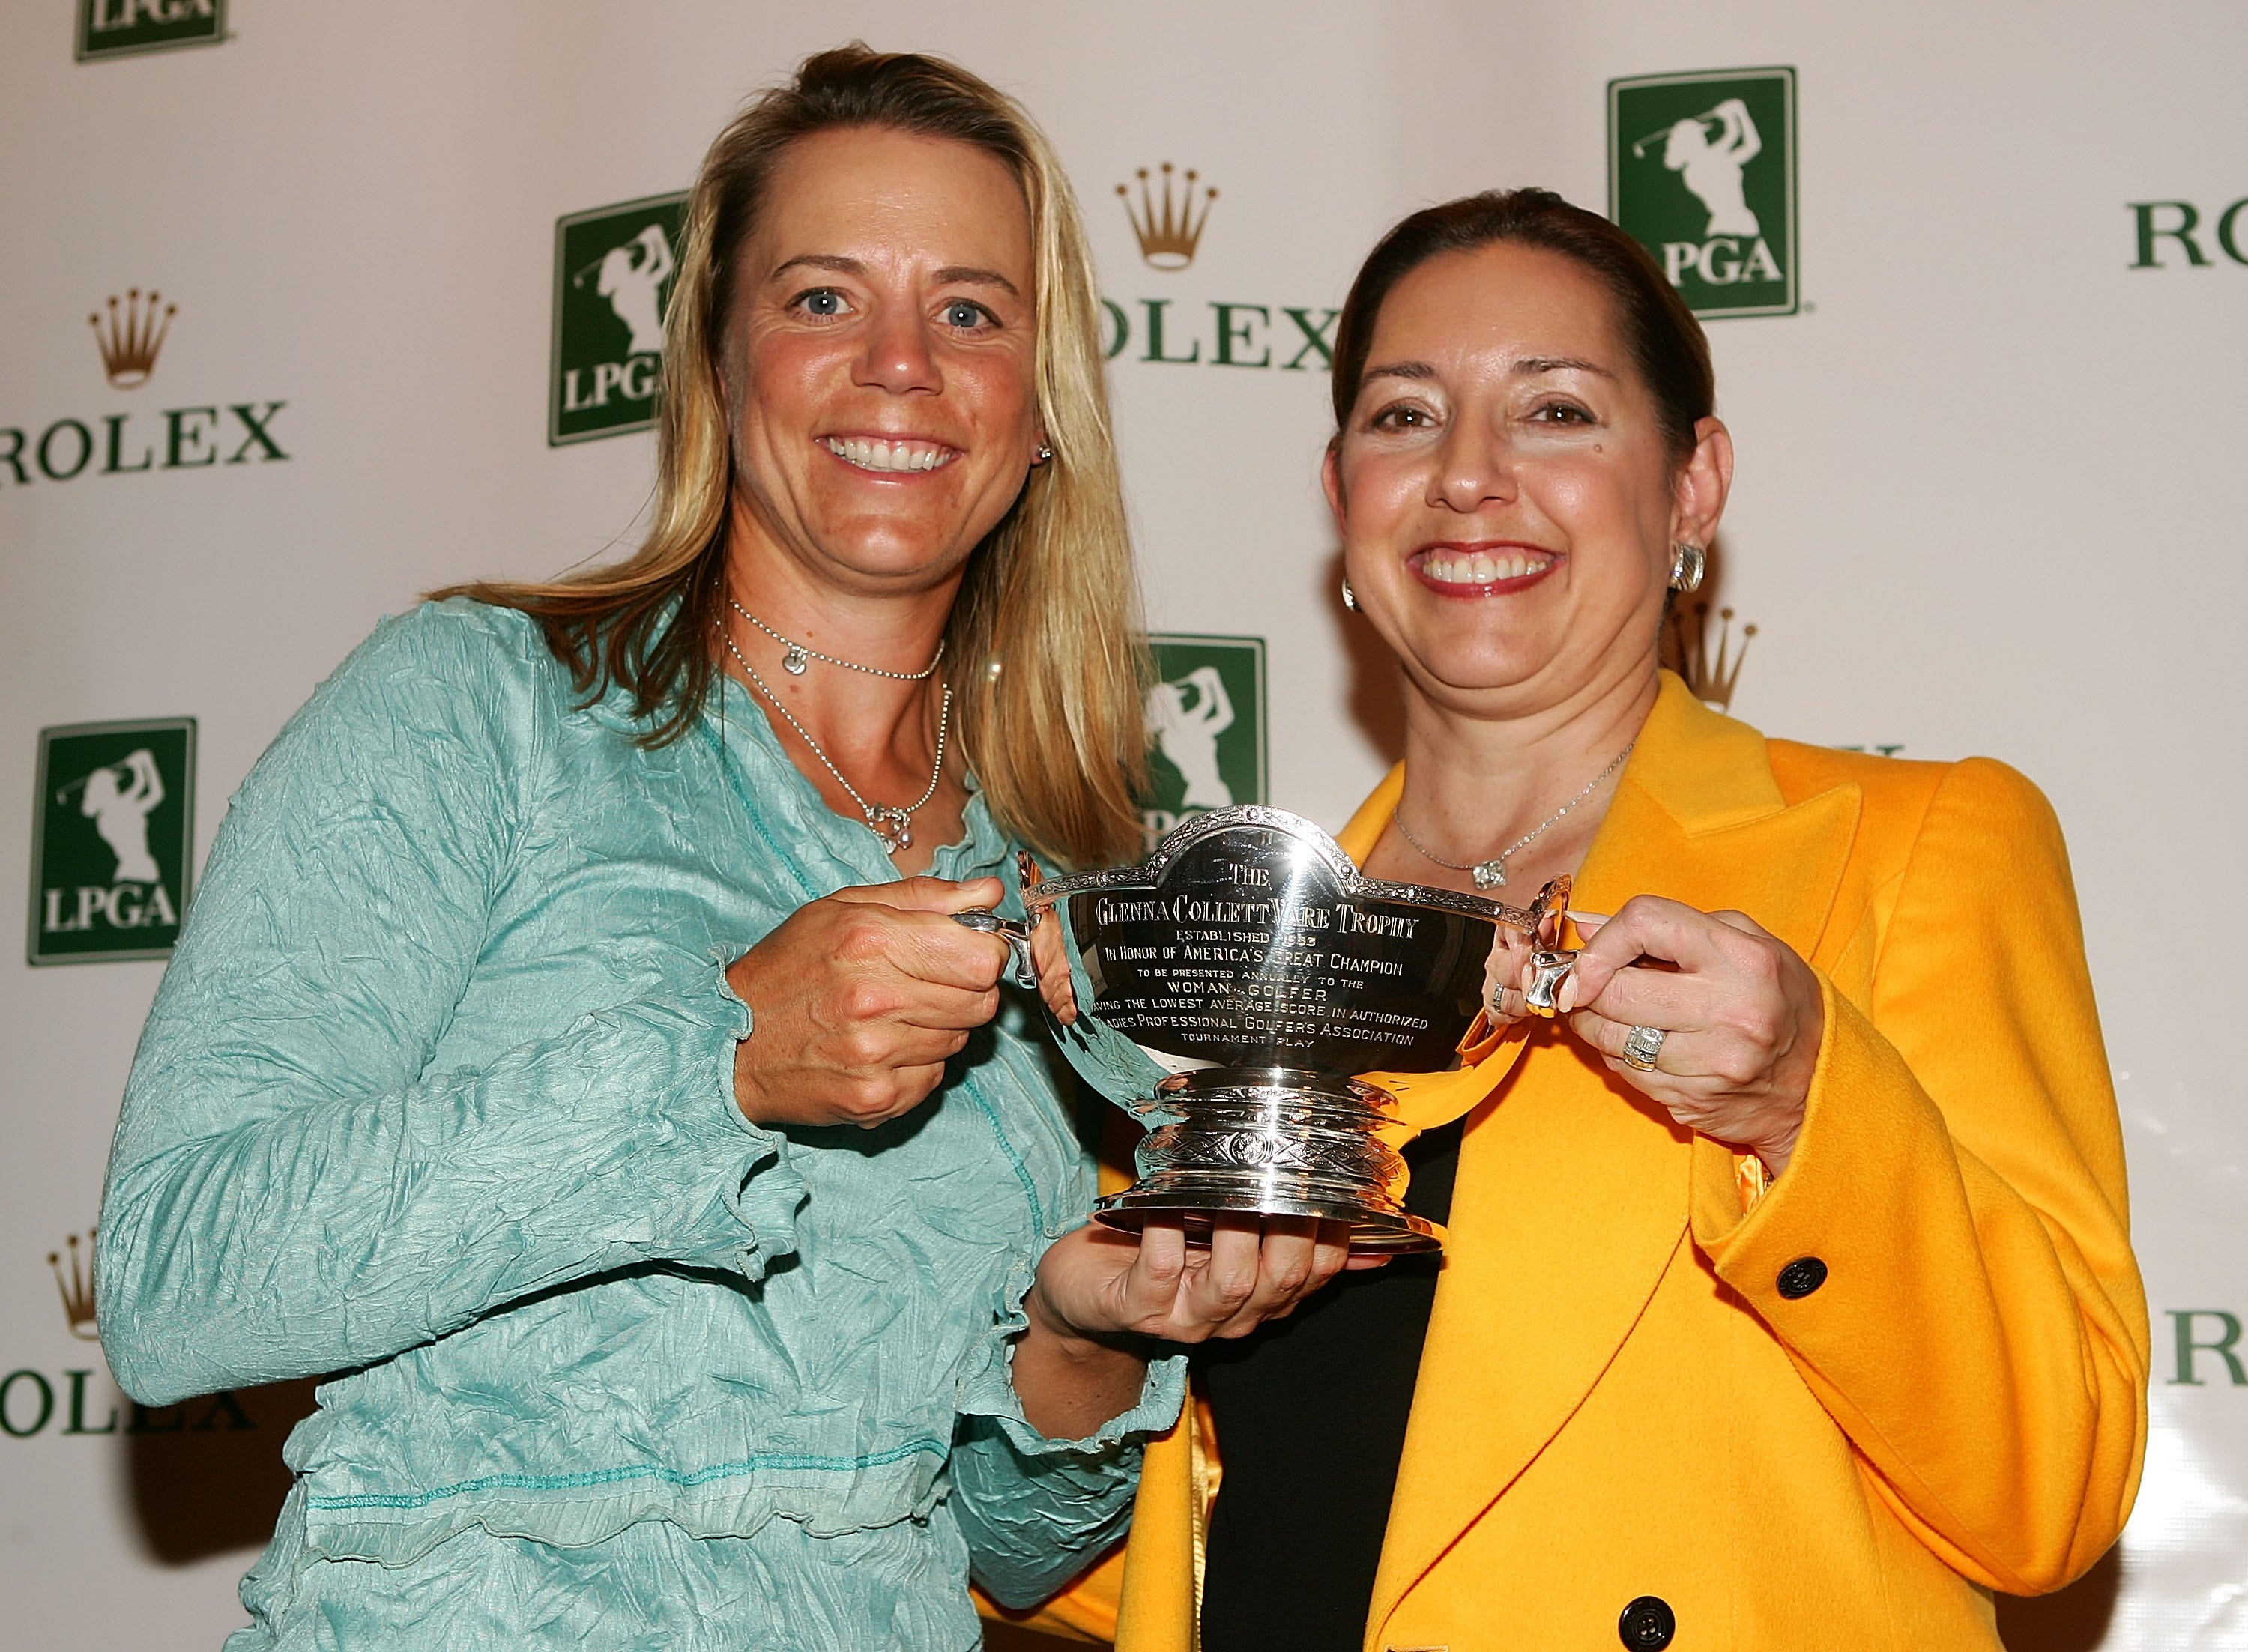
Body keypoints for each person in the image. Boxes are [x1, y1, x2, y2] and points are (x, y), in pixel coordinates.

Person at [95, 46, 1348, 1652]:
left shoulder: (1065, 868)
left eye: (971, 310)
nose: (901, 363)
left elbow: (1010, 1551)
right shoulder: (479, 702)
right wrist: (721, 1056)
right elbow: (175, 1274)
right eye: (823, 297)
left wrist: (1079, 1329)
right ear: (714, 357)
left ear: (1041, 410)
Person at [1099, 188, 2149, 1651]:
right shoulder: (1229, 958)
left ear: (1695, 482)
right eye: (1406, 416)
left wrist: (1805, 1111)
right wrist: (1087, 1346)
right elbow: (1151, 1545)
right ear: (1340, 491)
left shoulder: (1915, 849)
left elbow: (2059, 1485)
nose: (1470, 475)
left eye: (1557, 412)